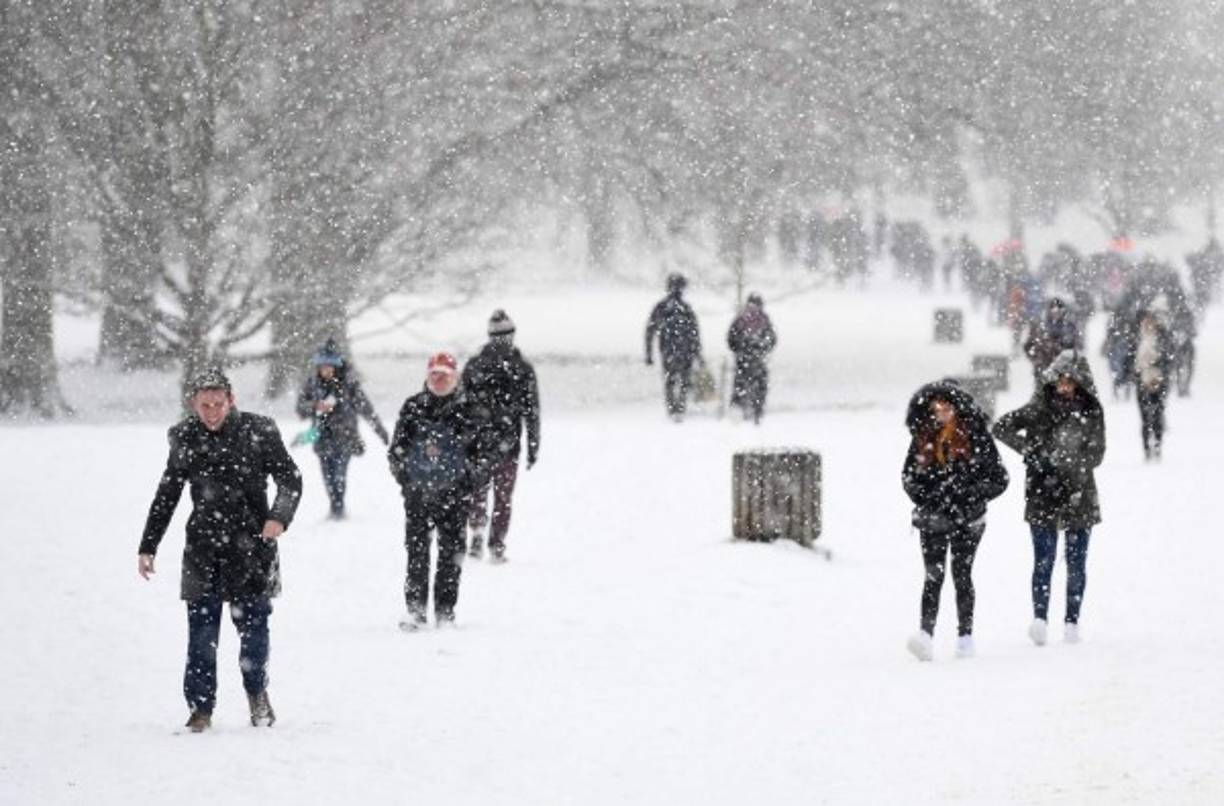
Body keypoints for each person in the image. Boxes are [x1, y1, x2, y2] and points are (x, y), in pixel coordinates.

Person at [138, 368, 302, 732]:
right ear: (193, 404)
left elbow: (291, 478)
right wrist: (148, 545)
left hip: (252, 547)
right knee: (201, 634)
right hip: (203, 548)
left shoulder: (259, 431)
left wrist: (279, 517)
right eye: (204, 405)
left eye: (218, 404)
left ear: (231, 400)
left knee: (254, 630)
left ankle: (257, 695)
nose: (211, 412)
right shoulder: (185, 437)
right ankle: (200, 709)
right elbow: (168, 494)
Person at [992, 351, 1105, 646]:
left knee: (1076, 561)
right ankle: (1039, 618)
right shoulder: (1037, 409)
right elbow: (1001, 427)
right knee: (1044, 560)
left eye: (1070, 382)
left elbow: (1097, 452)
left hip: (1080, 493)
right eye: (1060, 381)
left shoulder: (1092, 411)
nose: (1065, 388)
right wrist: (1033, 454)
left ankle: (1072, 622)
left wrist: (1070, 464)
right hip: (1042, 492)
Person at [902, 380, 1009, 661]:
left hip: (969, 519)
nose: (940, 414)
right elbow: (909, 478)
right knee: (933, 576)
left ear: (957, 409)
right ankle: (925, 633)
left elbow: (999, 479)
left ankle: (965, 636)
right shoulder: (922, 437)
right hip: (933, 518)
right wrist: (930, 496)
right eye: (935, 409)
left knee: (962, 574)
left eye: (946, 408)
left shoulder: (976, 436)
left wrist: (970, 495)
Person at [388, 353, 489, 630]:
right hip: (418, 496)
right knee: (417, 555)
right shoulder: (413, 407)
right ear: (427, 376)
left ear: (455, 377)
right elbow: (397, 450)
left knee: (451, 556)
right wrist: (408, 482)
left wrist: (467, 481)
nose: (439, 379)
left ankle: (446, 612)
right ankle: (416, 612)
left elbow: (483, 455)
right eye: (435, 374)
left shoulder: (470, 410)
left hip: (455, 497)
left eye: (445, 374)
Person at [462, 310, 541, 562]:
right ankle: (493, 542)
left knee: (482, 493)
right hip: (501, 441)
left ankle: (482, 534)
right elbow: (532, 410)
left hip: (485, 441)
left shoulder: (477, 365)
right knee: (501, 497)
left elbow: (461, 405)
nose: (503, 340)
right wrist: (532, 444)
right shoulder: (521, 367)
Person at [295, 339, 389, 519]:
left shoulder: (350, 385)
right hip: (321, 436)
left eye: (329, 366)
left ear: (337, 366)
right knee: (327, 475)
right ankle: (334, 504)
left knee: (339, 474)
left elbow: (367, 409)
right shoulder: (311, 384)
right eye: (322, 367)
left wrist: (381, 432)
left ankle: (338, 507)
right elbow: (300, 408)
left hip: (345, 436)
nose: (326, 370)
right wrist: (315, 406)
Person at [644, 273, 702, 421]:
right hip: (685, 350)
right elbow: (694, 333)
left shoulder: (661, 307)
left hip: (667, 350)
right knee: (684, 380)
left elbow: (650, 330)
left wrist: (649, 353)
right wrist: (698, 354)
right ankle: (680, 407)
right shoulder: (686, 308)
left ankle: (672, 408)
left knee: (670, 380)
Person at [1130, 310, 1176, 460]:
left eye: (1151, 321)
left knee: (1157, 414)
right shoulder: (1137, 338)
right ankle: (1146, 449)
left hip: (1159, 381)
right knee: (1144, 417)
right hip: (1141, 381)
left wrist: (1158, 372)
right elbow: (1130, 361)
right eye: (1145, 321)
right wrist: (1138, 374)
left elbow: (1169, 360)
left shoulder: (1163, 338)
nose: (1148, 324)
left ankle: (1157, 445)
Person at [726, 293, 777, 423]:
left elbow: (731, 338)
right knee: (760, 383)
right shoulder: (763, 319)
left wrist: (738, 349)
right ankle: (757, 409)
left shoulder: (741, 318)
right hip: (758, 359)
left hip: (742, 358)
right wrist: (763, 349)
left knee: (740, 383)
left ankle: (738, 407)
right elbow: (772, 339)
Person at [1024, 297, 1083, 383]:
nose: (1056, 313)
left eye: (1059, 311)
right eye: (1054, 310)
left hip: (1063, 371)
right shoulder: (1040, 327)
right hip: (1044, 368)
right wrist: (1036, 360)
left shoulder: (1069, 327)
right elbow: (1028, 346)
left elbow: (1076, 348)